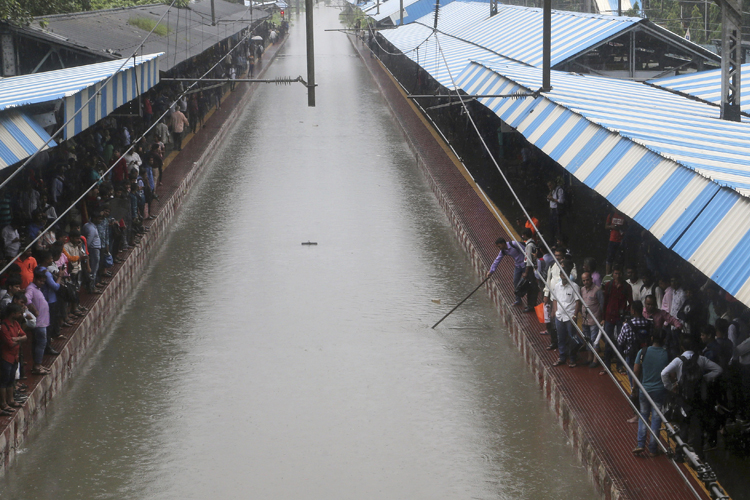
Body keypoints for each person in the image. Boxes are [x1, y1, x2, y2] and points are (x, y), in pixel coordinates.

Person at [661, 335, 722, 459]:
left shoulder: (679, 360)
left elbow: (664, 373)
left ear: (682, 347)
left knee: (683, 425)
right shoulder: (701, 359)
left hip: (684, 398)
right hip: (699, 398)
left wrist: (670, 387)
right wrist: (704, 379)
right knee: (697, 426)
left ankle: (679, 453)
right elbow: (718, 369)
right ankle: (699, 454)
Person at [632, 328, 669, 457]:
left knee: (643, 416)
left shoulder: (643, 352)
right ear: (664, 340)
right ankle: (653, 448)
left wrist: (634, 387)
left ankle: (640, 444)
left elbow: (636, 370)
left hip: (644, 390)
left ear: (652, 339)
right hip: (659, 391)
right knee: (656, 418)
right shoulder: (666, 354)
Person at [601, 268, 632, 374]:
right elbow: (605, 302)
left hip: (620, 318)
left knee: (620, 342)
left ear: (622, 274)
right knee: (608, 342)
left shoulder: (627, 287)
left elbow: (630, 302)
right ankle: (607, 366)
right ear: (613, 274)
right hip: (609, 316)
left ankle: (619, 366)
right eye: (615, 273)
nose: (617, 275)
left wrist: (626, 313)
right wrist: (603, 317)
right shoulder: (609, 285)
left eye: (619, 273)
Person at [551, 263, 582, 367]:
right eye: (562, 274)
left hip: (570, 318)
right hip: (559, 317)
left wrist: (575, 315)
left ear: (568, 275)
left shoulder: (575, 287)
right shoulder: (557, 286)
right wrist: (556, 312)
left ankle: (573, 358)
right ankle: (562, 357)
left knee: (572, 338)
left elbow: (578, 302)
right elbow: (554, 299)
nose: (564, 276)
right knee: (561, 338)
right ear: (560, 275)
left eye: (565, 274)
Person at [0, 303, 26, 415]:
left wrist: (17, 339)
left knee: (11, 380)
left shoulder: (15, 323)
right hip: (7, 357)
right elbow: (9, 343)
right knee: (4, 381)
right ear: (13, 313)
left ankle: (10, 400)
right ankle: (3, 403)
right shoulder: (4, 326)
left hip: (15, 357)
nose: (21, 314)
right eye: (19, 312)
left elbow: (25, 336)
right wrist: (19, 339)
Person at [25, 270, 52, 375]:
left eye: (43, 281)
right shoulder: (31, 289)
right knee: (41, 343)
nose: (42, 283)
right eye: (40, 281)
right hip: (39, 323)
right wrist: (34, 310)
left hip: (43, 321)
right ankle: (37, 366)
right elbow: (27, 299)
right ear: (35, 279)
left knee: (39, 343)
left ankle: (38, 364)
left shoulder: (37, 289)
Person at [486, 236, 526, 307]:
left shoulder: (514, 244)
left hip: (525, 264)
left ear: (503, 243)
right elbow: (497, 260)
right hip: (517, 266)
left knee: (528, 282)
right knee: (515, 281)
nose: (499, 248)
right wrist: (491, 271)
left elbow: (525, 251)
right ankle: (518, 300)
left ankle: (530, 303)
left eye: (499, 246)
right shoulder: (503, 251)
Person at [580, 272, 604, 367]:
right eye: (584, 280)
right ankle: (589, 358)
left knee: (595, 340)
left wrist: (602, 318)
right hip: (585, 320)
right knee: (587, 339)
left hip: (594, 319)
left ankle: (595, 360)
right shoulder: (582, 290)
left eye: (587, 280)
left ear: (591, 279)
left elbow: (602, 304)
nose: (586, 282)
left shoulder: (597, 290)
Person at [82, 212, 103, 294]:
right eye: (99, 219)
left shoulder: (86, 225)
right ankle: (92, 287)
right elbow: (88, 243)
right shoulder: (92, 229)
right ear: (94, 218)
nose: (100, 220)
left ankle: (91, 286)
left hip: (93, 249)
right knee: (94, 269)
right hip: (94, 250)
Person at [520, 229, 538, 312]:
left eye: (523, 235)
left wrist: (526, 272)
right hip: (531, 268)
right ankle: (531, 304)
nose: (522, 236)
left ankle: (531, 305)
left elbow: (529, 261)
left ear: (526, 235)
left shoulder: (529, 246)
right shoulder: (532, 243)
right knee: (531, 287)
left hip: (530, 269)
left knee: (531, 287)